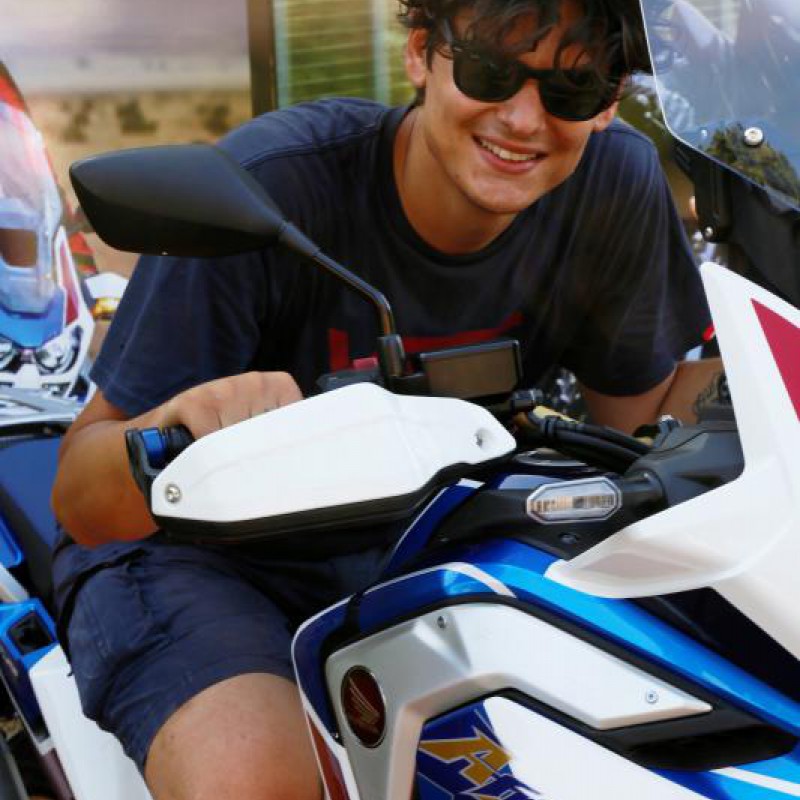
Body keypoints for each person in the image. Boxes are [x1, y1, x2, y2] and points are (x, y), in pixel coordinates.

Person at [51, 0, 719, 798]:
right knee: (264, 785)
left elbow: (642, 432)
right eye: (489, 72)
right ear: (420, 53)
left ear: (609, 103)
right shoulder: (273, 188)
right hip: (207, 560)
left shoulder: (612, 184)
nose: (522, 119)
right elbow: (82, 502)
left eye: (570, 91)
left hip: (439, 546)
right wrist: (178, 427)